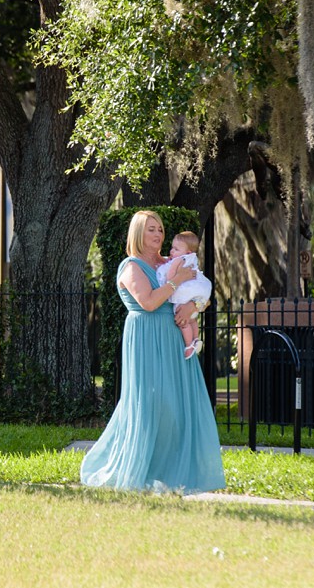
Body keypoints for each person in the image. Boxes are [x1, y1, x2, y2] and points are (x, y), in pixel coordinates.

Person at [80, 210, 226, 494]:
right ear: (137, 233)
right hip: (146, 339)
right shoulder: (131, 266)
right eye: (151, 229)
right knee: (152, 408)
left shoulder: (172, 261)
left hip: (174, 337)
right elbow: (147, 302)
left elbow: (200, 293)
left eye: (160, 229)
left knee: (179, 408)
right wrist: (176, 282)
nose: (158, 234)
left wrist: (193, 307)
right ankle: (140, 469)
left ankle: (174, 474)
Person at [156, 230, 213, 360]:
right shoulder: (192, 260)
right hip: (195, 295)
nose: (172, 251)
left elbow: (170, 277)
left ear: (187, 252)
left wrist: (175, 277)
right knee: (193, 320)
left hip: (182, 299)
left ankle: (189, 344)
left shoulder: (177, 261)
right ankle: (196, 339)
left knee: (184, 323)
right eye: (172, 248)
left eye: (175, 249)